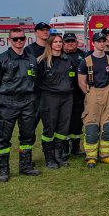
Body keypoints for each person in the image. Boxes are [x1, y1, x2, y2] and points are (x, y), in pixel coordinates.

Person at [0, 27, 42, 181]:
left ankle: (25, 166)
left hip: (28, 103)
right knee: (4, 137)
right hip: (8, 103)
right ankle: (4, 170)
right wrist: (6, 97)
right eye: (15, 39)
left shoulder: (31, 59)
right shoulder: (1, 59)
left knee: (28, 136)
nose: (19, 41)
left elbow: (36, 79)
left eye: (21, 38)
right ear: (9, 40)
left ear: (26, 39)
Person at [77, 32, 109, 168]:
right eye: (98, 41)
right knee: (91, 126)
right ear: (93, 43)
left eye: (103, 41)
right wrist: (89, 93)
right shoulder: (86, 61)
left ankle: (105, 154)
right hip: (92, 92)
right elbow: (81, 81)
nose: (102, 43)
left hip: (108, 93)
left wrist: (108, 90)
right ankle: (91, 156)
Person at [36, 34, 75, 169]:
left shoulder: (68, 60)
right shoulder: (43, 61)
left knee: (63, 128)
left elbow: (72, 79)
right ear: (50, 44)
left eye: (60, 42)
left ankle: (59, 155)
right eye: (56, 42)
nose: (58, 44)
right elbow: (36, 82)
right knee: (50, 129)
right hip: (49, 98)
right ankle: (49, 158)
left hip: (67, 98)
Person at [62, 33, 86, 156]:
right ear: (63, 43)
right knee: (64, 122)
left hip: (79, 95)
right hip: (63, 95)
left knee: (77, 122)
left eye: (72, 41)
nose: (70, 43)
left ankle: (75, 147)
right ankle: (64, 148)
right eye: (67, 41)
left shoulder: (83, 55)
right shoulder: (59, 55)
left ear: (77, 42)